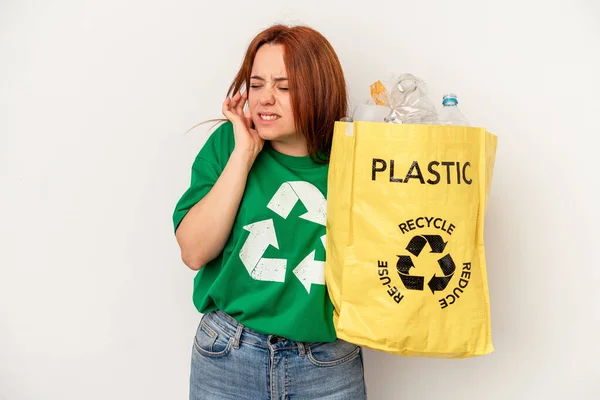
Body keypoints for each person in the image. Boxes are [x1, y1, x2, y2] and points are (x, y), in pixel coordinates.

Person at [173, 24, 367, 399]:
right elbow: (194, 251)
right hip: (227, 354)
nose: (265, 98)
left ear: (319, 89)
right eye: (257, 84)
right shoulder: (228, 146)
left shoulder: (357, 158)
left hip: (327, 362)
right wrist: (244, 154)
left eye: (284, 87)